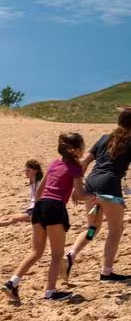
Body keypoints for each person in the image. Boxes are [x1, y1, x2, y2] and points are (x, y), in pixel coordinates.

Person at [3, 133, 86, 302]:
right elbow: (80, 194)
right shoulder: (75, 167)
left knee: (36, 251)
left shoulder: (54, 163)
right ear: (75, 150)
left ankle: (12, 282)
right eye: (82, 146)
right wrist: (95, 196)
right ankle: (51, 292)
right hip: (55, 208)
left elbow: (40, 191)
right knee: (57, 254)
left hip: (39, 207)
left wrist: (41, 207)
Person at [63, 108, 131, 282]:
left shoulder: (103, 139)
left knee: (92, 228)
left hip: (92, 184)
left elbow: (83, 163)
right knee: (115, 230)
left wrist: (76, 189)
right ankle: (106, 272)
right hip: (109, 187)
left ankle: (71, 255)